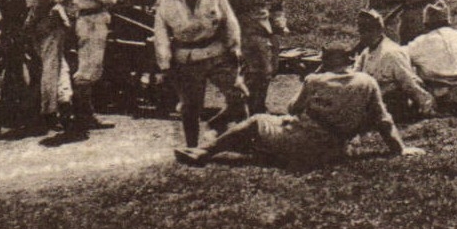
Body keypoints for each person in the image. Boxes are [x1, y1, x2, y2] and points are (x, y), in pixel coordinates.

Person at [175, 47, 423, 168]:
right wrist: (400, 149)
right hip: (333, 151)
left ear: (325, 62)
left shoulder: (315, 80)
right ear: (349, 62)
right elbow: (384, 121)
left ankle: (204, 151)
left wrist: (311, 77)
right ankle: (224, 150)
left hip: (301, 143)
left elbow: (292, 108)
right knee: (261, 146)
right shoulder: (368, 83)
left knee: (257, 121)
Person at [153, 0, 248, 148]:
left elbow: (229, 19)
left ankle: (240, 139)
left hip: (217, 52)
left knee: (238, 95)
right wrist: (165, 63)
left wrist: (235, 46)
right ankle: (192, 147)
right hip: (188, 58)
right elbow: (160, 33)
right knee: (190, 107)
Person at [18, 0, 72, 133]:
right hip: (49, 22)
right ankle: (50, 111)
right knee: (52, 65)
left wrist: (29, 22)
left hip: (35, 23)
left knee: (58, 63)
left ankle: (65, 99)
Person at [66, 0, 121, 132]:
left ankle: (84, 113)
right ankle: (83, 116)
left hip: (96, 20)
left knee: (93, 68)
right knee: (88, 69)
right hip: (89, 22)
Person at [353, 7, 434, 123]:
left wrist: (426, 105)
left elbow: (409, 83)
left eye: (369, 30)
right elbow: (355, 78)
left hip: (390, 105)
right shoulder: (366, 53)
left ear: (379, 30)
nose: (364, 35)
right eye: (361, 31)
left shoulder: (392, 53)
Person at [406, 0, 457, 117]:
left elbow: (399, 57)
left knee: (405, 71)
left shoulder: (422, 41)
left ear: (426, 23)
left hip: (440, 93)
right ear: (448, 21)